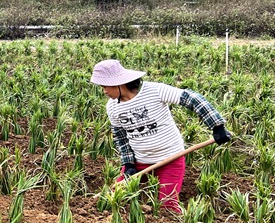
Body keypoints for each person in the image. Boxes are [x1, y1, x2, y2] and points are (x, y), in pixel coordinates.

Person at [90, 59, 232, 214]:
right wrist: (129, 165)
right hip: (139, 162)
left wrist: (217, 126)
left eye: (105, 86)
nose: (103, 91)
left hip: (170, 159)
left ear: (118, 83)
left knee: (167, 208)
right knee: (113, 200)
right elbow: (122, 139)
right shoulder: (112, 107)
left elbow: (192, 98)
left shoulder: (155, 91)